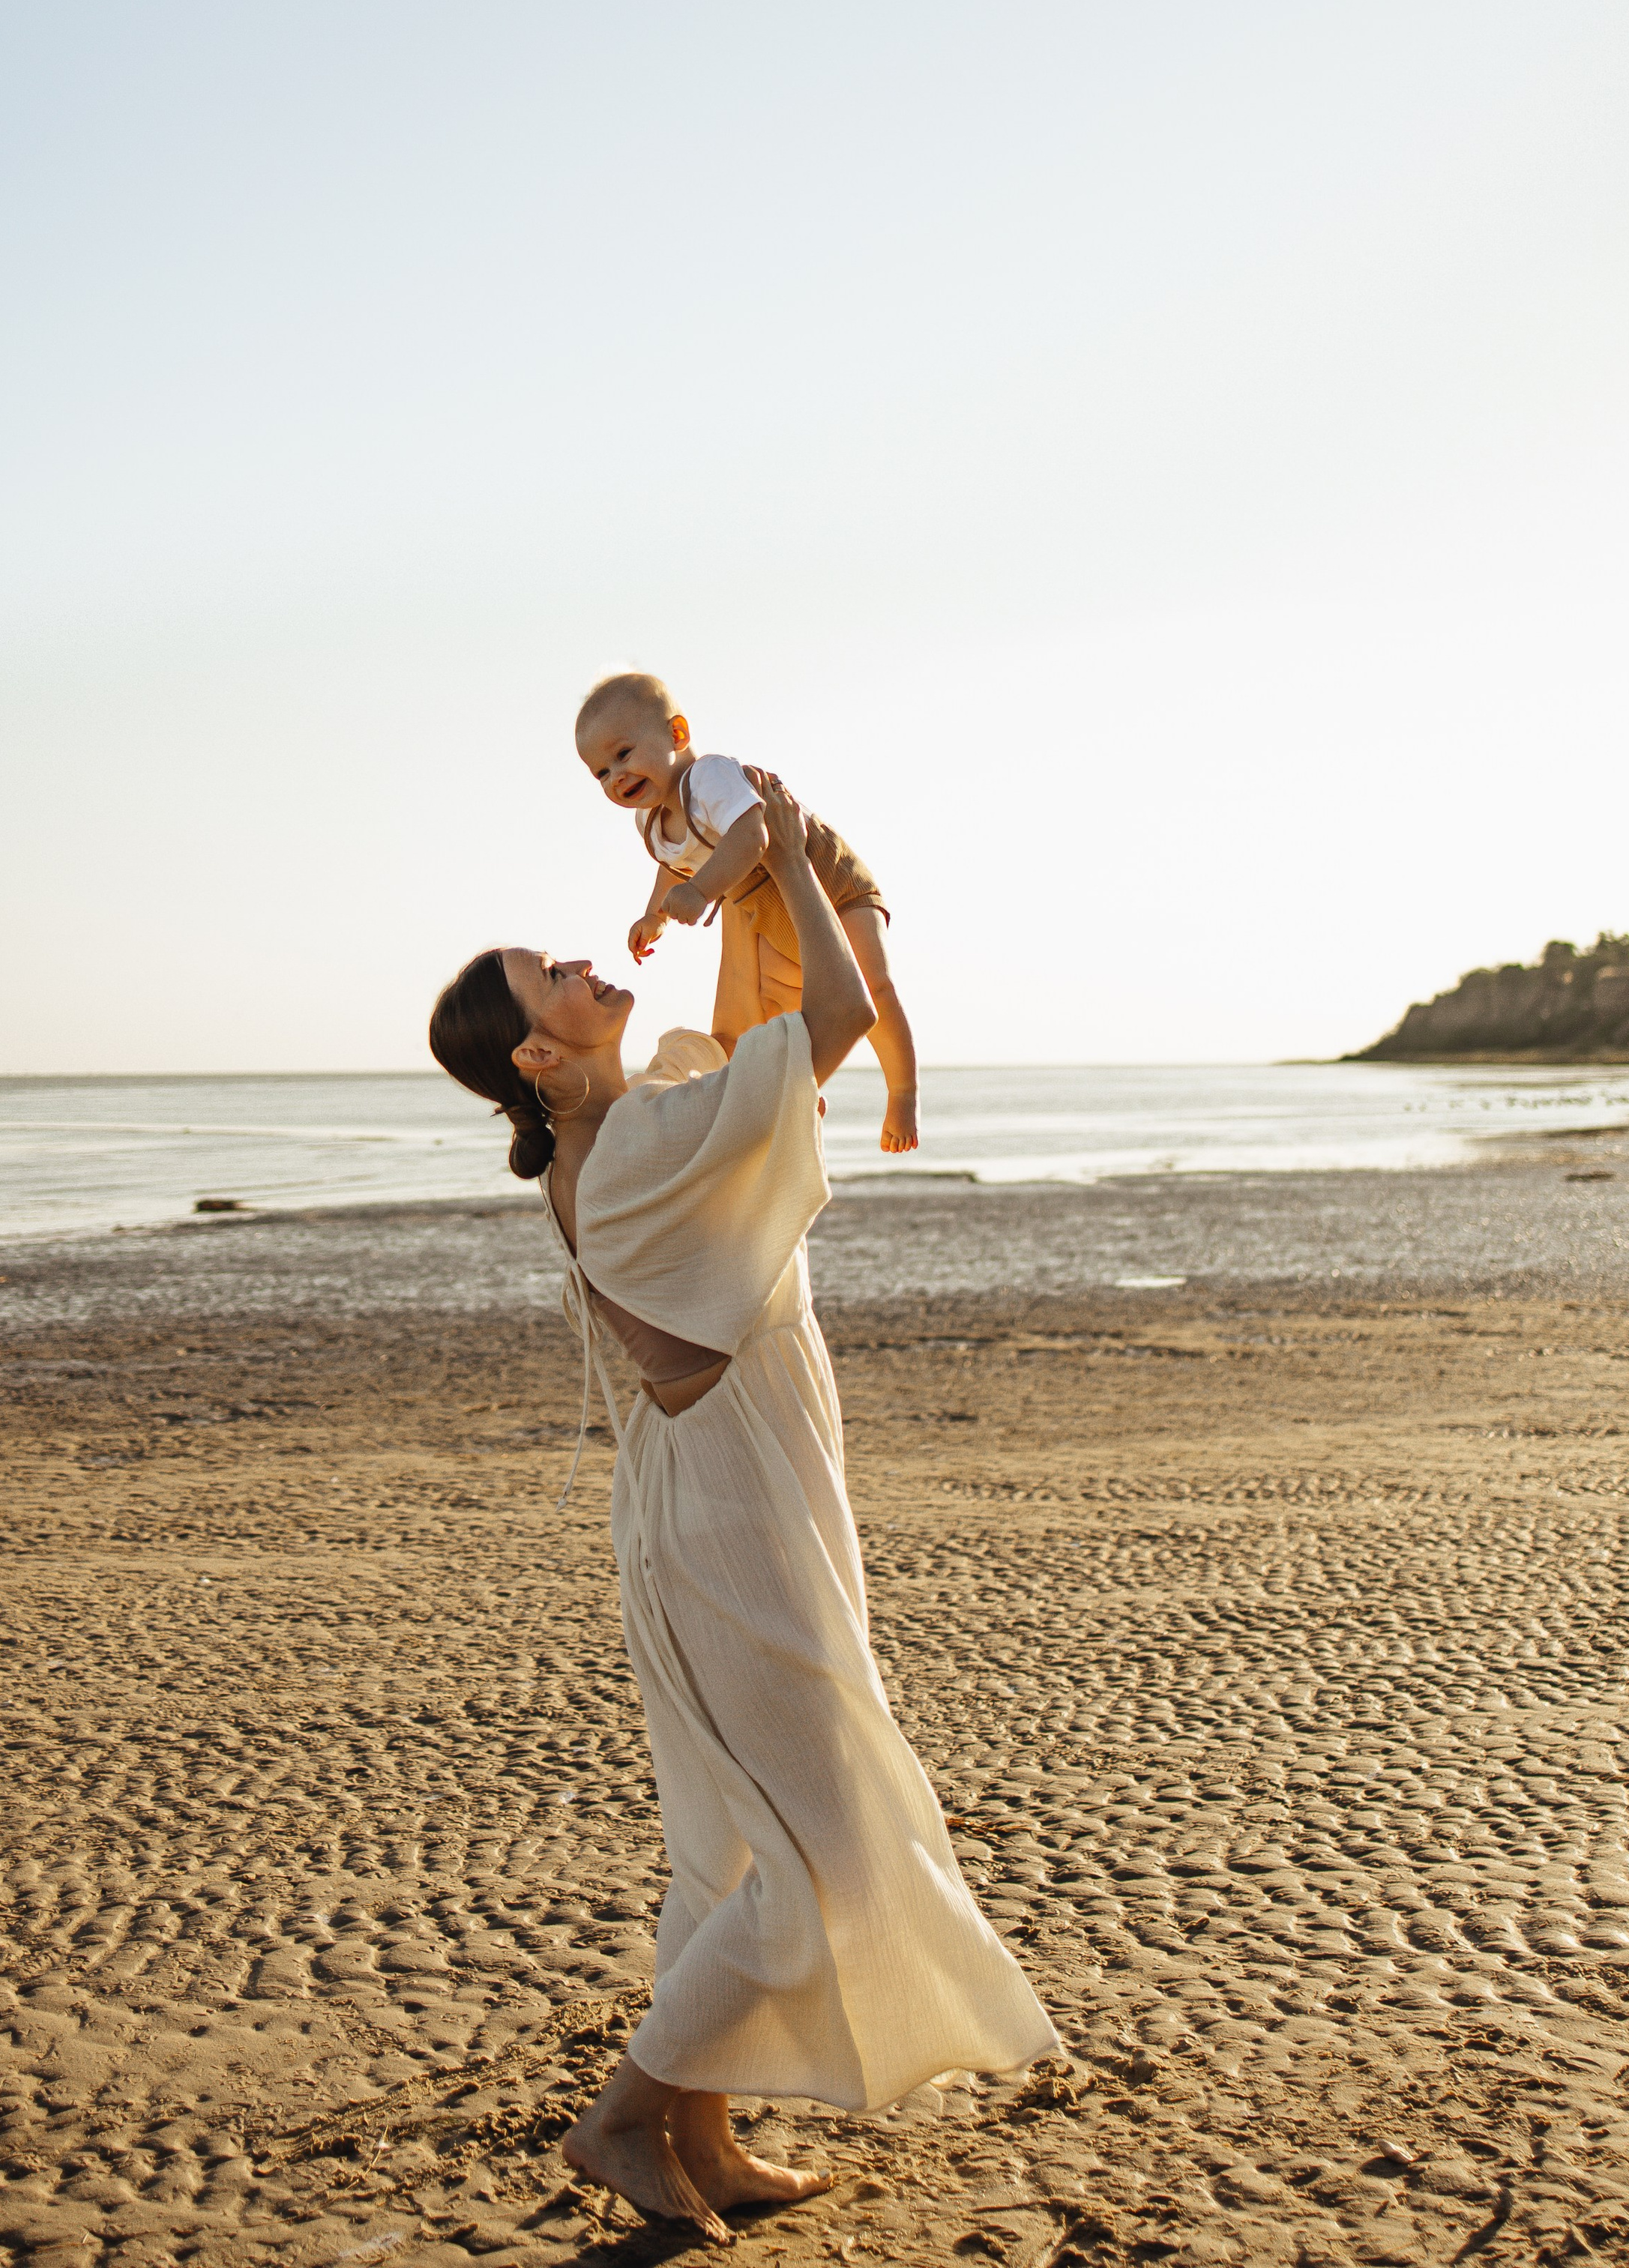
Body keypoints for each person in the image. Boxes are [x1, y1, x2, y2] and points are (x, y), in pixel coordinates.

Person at [427, 773, 1056, 2240]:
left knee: (729, 1846)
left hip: (714, 1507)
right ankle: (625, 2116)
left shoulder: (626, 1129)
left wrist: (754, 881)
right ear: (536, 1049)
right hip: (726, 1525)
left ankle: (696, 2146)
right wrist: (792, 874)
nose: (594, 964)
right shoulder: (638, 1149)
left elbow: (744, 1040)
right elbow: (821, 1038)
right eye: (559, 976)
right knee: (825, 1854)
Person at [574, 667, 920, 1155]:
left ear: (677, 733)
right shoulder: (650, 823)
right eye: (601, 772)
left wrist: (698, 893)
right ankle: (802, 1087)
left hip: (824, 878)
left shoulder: (709, 776)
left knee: (871, 984)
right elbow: (673, 866)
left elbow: (752, 836)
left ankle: (903, 1092)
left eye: (624, 754)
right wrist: (655, 917)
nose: (616, 776)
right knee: (762, 1015)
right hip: (766, 907)